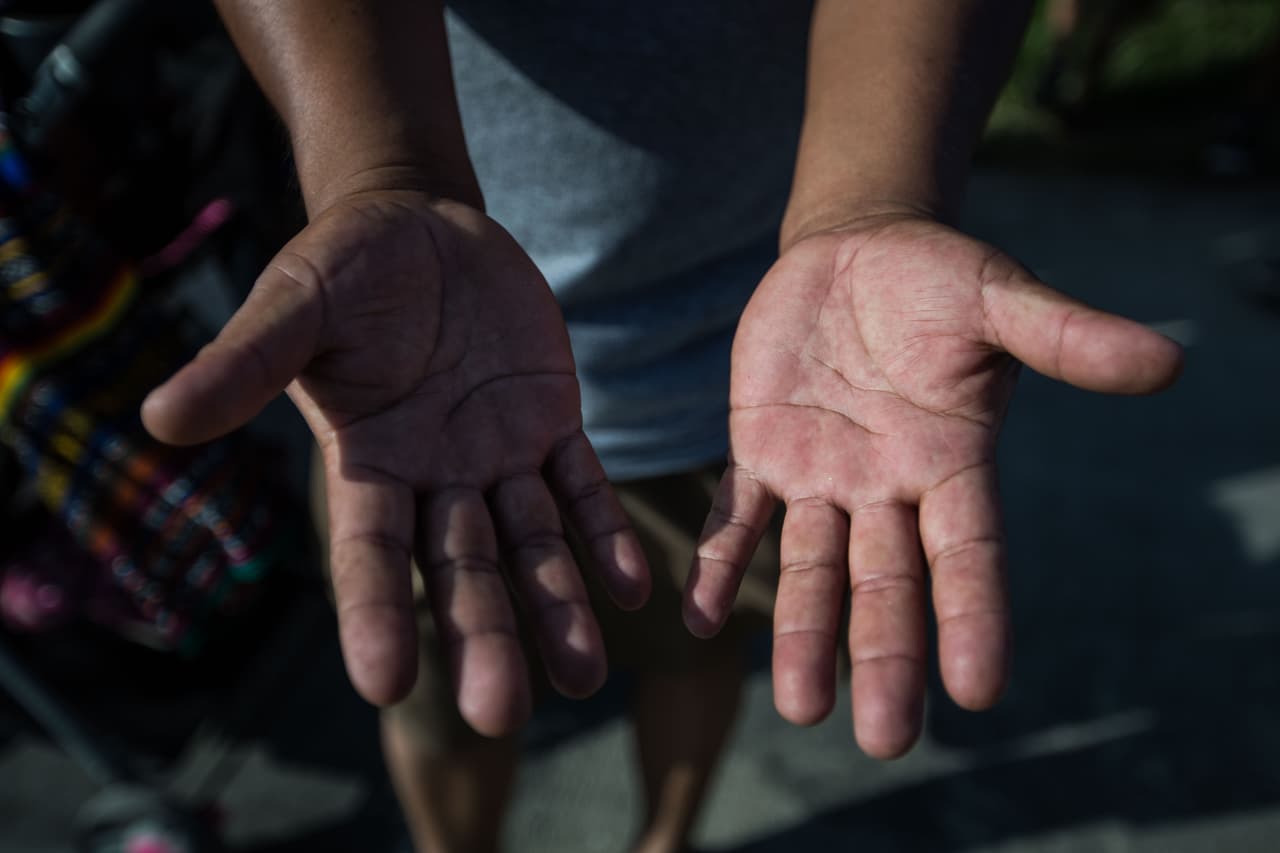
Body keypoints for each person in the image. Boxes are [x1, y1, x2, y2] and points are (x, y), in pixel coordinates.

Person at [139, 1, 1184, 851]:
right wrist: (379, 175)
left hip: (775, 375)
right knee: (441, 688)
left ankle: (666, 839)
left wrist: (871, 202)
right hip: (416, 379)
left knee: (699, 648)